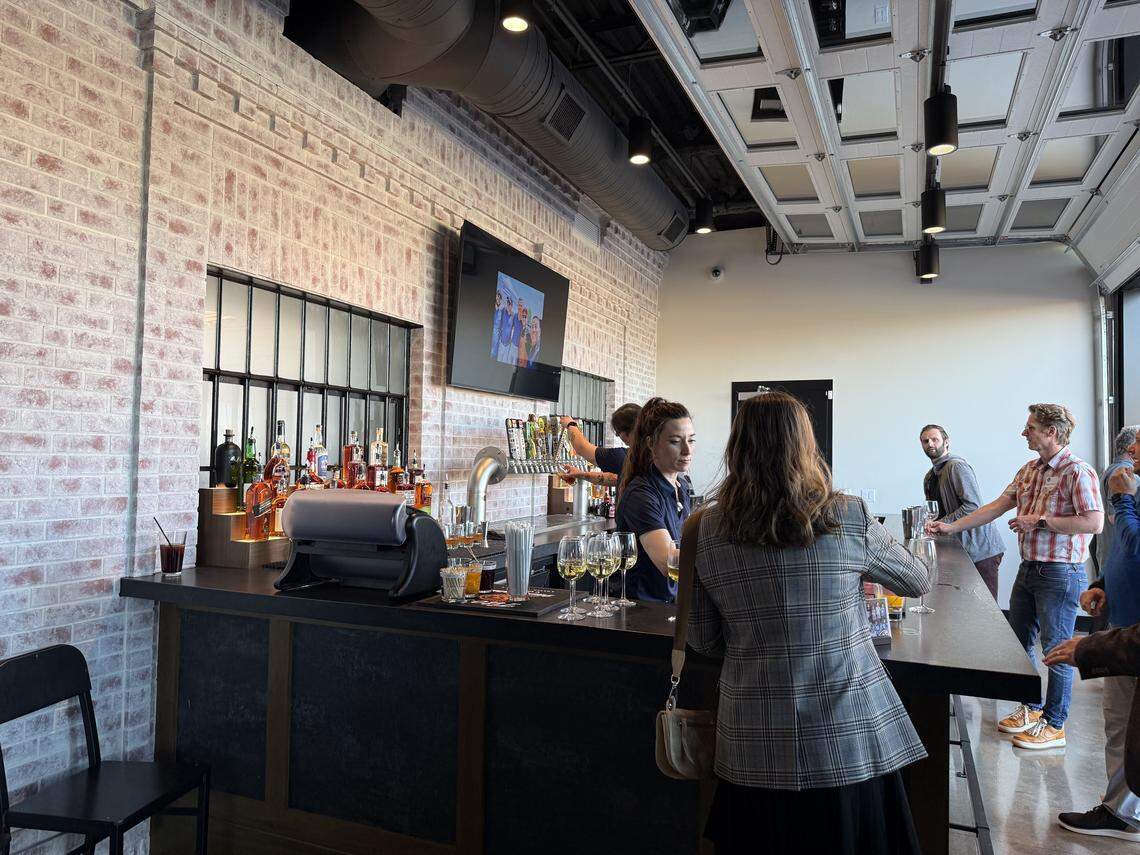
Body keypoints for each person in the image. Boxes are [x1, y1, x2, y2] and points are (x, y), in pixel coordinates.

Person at [689, 391, 930, 855]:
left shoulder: (704, 528)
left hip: (752, 739)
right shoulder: (848, 514)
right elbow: (916, 579)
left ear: (736, 447)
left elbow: (703, 638)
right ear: (805, 445)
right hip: (847, 734)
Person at [929, 403, 1104, 749]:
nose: (1024, 432)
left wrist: (1039, 521)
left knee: (1056, 649)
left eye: (1030, 427)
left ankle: (1055, 723)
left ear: (1051, 432)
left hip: (1060, 573)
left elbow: (1093, 522)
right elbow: (994, 507)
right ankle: (1031, 708)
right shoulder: (1029, 470)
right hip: (1028, 569)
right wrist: (949, 527)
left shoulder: (1078, 472)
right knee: (1020, 643)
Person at [1052, 427, 1140, 840]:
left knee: (1126, 726)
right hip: (1122, 621)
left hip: (1133, 636)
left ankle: (1123, 813)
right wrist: (1103, 582)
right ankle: (1121, 809)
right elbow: (1125, 553)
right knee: (1120, 725)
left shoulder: (1127, 496)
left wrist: (1122, 501)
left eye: (1138, 447)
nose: (1130, 453)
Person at [613, 398, 693, 602]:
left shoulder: (681, 486)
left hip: (671, 604)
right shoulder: (641, 494)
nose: (687, 450)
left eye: (691, 440)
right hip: (644, 612)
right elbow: (671, 564)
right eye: (675, 441)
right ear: (651, 443)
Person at [920, 424, 1005, 599]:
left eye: (934, 439)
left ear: (946, 442)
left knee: (987, 610)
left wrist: (945, 523)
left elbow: (973, 506)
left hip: (981, 550)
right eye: (925, 441)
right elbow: (934, 513)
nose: (930, 444)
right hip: (958, 549)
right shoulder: (929, 477)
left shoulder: (956, 467)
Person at [559, 403, 641, 489]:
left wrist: (570, 424)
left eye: (618, 431)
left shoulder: (626, 457)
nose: (618, 436)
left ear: (628, 432)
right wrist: (581, 474)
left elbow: (581, 448)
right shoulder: (648, 456)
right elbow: (614, 479)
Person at [495, 295, 516, 363]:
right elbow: (498, 305)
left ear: (512, 306)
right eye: (508, 303)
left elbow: (514, 329)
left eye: (510, 304)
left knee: (504, 362)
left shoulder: (513, 316)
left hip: (507, 345)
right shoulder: (503, 310)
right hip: (501, 343)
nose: (508, 305)